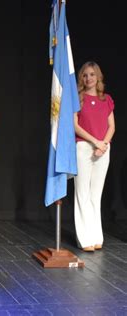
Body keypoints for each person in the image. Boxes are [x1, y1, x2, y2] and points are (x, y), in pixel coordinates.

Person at [74, 61, 115, 252]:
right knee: (82, 193)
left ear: (98, 77)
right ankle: (84, 238)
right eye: (85, 75)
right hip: (83, 147)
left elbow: (111, 126)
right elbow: (75, 126)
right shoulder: (78, 98)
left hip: (103, 150)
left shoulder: (106, 99)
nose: (88, 78)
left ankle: (96, 236)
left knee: (95, 195)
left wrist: (103, 144)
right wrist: (95, 142)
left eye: (92, 74)